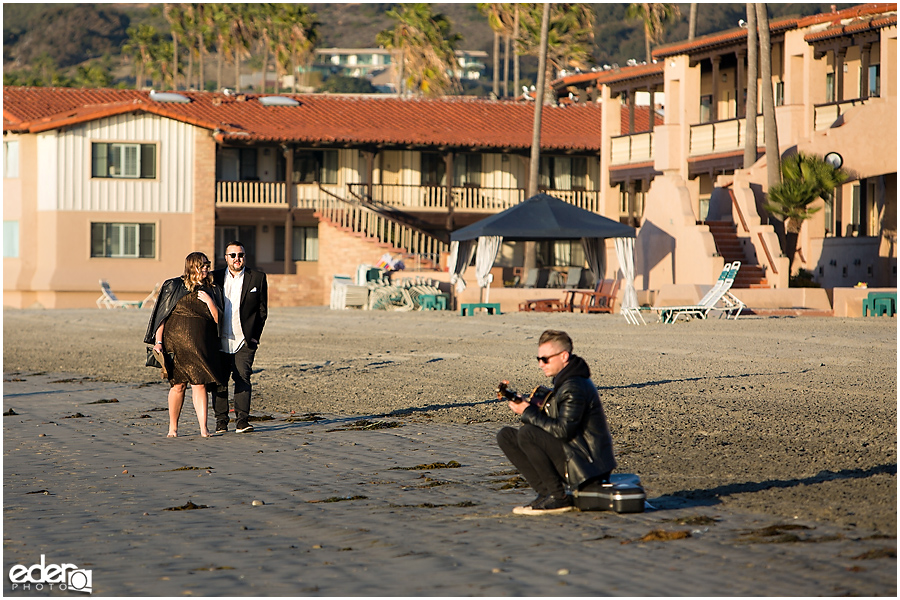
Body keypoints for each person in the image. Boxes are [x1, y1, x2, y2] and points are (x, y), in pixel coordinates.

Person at [497, 329, 617, 515]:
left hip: (588, 467)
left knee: (527, 433)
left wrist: (528, 412)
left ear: (563, 356)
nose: (541, 364)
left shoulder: (574, 386)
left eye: (545, 359)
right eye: (538, 359)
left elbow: (563, 431)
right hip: (575, 454)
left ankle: (558, 497)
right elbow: (557, 420)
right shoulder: (566, 380)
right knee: (506, 436)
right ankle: (545, 494)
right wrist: (530, 406)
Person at [144, 252, 224, 438]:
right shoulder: (173, 285)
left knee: (200, 383)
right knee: (178, 385)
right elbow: (161, 317)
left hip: (201, 344)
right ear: (191, 266)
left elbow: (219, 318)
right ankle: (173, 428)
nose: (206, 268)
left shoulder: (212, 288)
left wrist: (210, 302)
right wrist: (158, 342)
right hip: (176, 344)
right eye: (202, 265)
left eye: (207, 264)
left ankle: (203, 428)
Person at [212, 241, 268, 434]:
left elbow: (262, 311)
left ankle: (242, 421)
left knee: (243, 377)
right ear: (226, 257)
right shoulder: (215, 277)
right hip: (219, 339)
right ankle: (221, 422)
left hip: (244, 340)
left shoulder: (257, 278)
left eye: (241, 255)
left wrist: (254, 339)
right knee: (219, 380)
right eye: (233, 255)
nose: (237, 259)